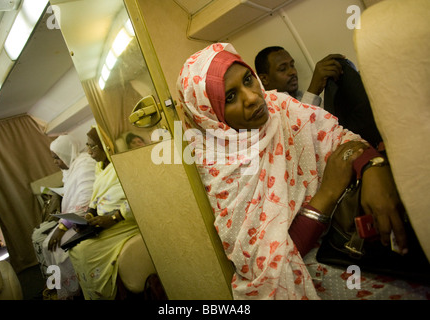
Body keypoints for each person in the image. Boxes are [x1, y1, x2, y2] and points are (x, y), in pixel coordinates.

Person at [175, 43, 421, 300]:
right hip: (312, 262)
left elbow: (342, 139)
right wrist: (326, 195)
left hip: (347, 228)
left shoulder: (280, 107)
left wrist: (372, 166)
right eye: (230, 97)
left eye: (248, 79)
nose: (251, 97)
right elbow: (271, 264)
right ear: (209, 116)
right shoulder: (222, 171)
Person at [68, 127, 140, 300]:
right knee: (74, 249)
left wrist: (113, 218)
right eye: (87, 145)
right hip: (104, 220)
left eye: (93, 146)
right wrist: (89, 216)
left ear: (105, 146)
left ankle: (104, 295)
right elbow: (96, 195)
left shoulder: (123, 165)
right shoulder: (100, 167)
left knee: (84, 251)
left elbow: (138, 198)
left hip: (125, 221)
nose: (89, 151)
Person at [33, 134, 96, 299]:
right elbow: (74, 192)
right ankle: (61, 286)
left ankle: (73, 290)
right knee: (46, 243)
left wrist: (62, 227)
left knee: (55, 245)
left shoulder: (85, 165)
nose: (55, 162)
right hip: (73, 216)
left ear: (67, 153)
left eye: (57, 158)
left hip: (86, 217)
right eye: (53, 158)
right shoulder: (71, 167)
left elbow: (85, 201)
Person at [254, 46, 344, 106]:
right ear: (264, 79)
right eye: (282, 69)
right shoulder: (268, 109)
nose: (292, 72)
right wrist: (314, 89)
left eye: (292, 65)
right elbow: (300, 128)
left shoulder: (299, 96)